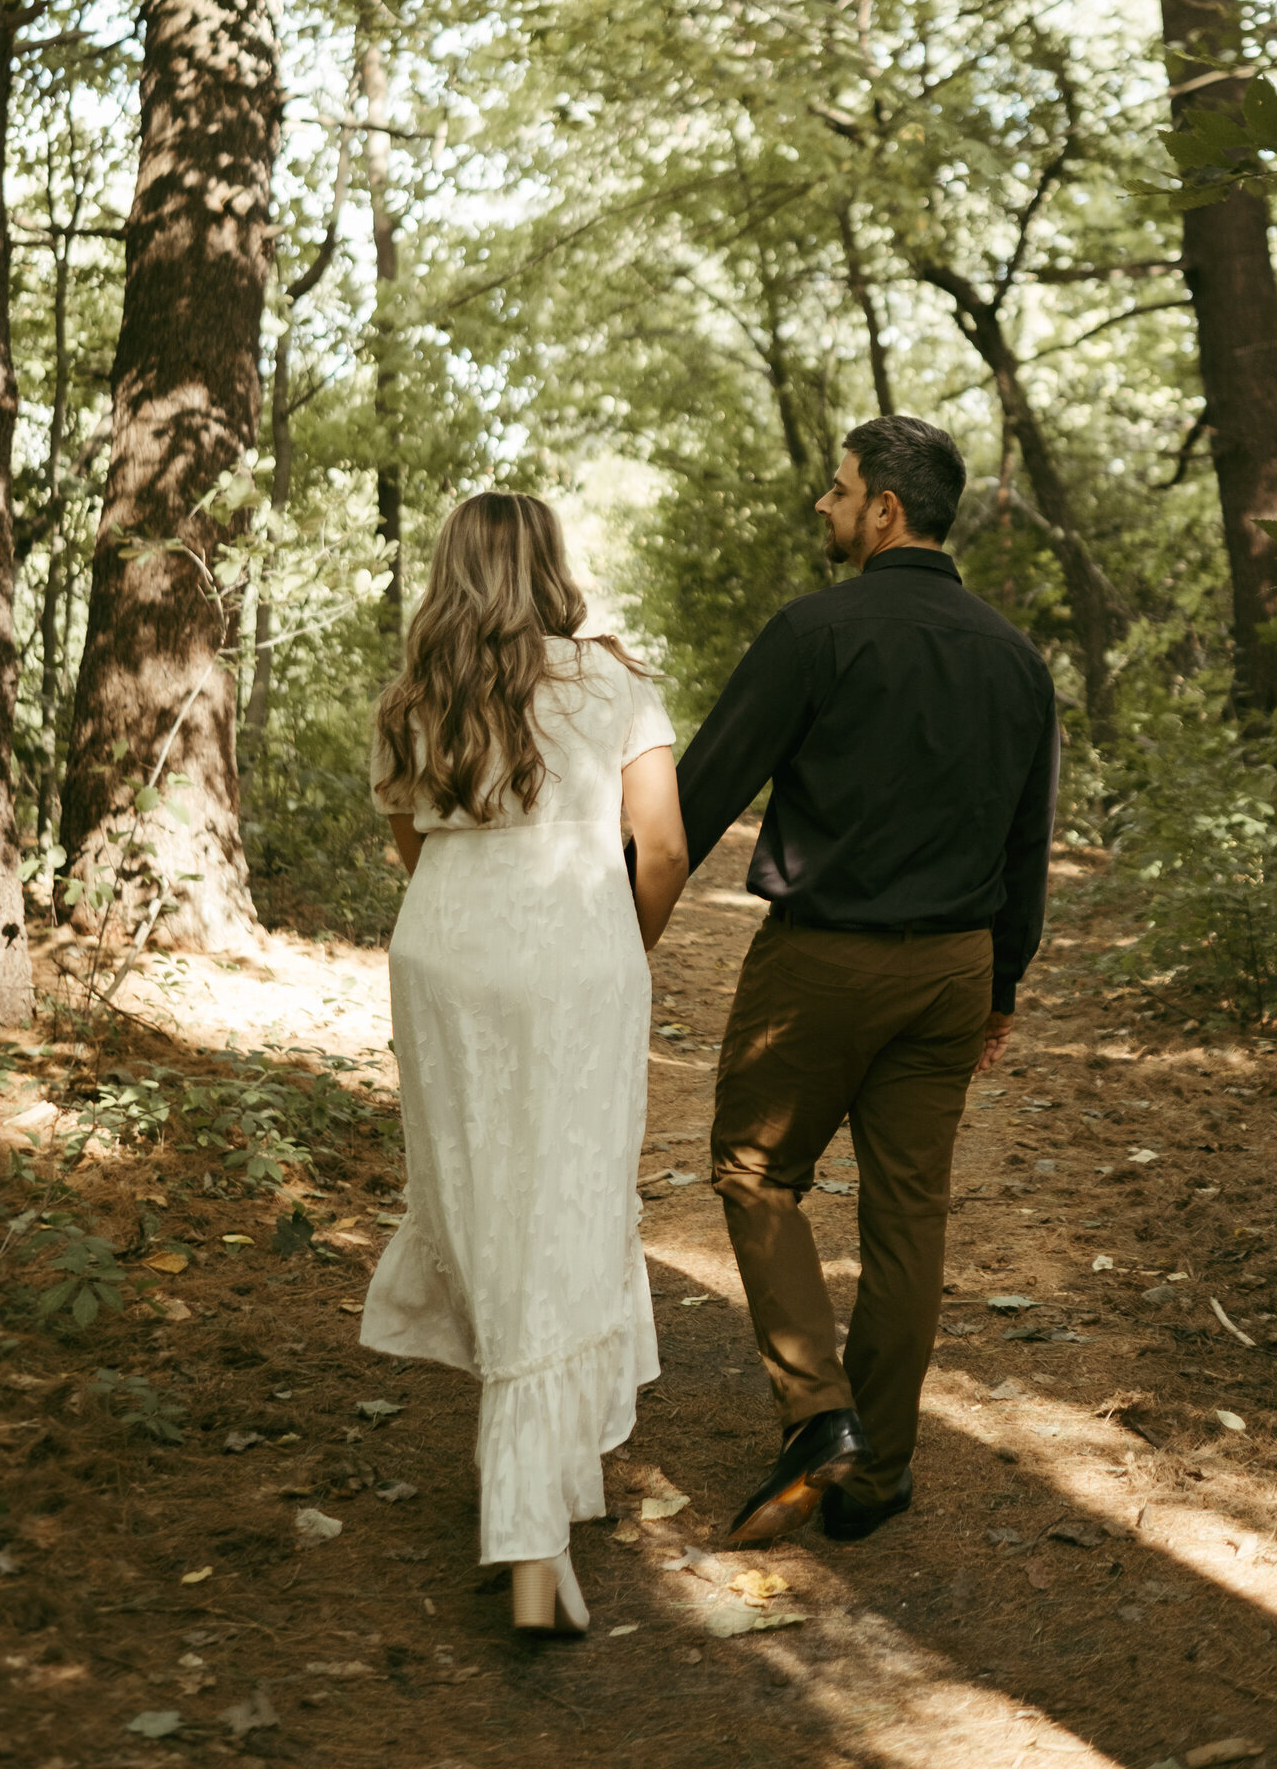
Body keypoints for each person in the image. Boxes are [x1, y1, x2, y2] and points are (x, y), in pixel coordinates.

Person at [676, 414, 1059, 1546]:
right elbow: (1025, 846)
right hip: (953, 971)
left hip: (822, 964)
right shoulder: (1016, 659)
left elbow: (697, 800)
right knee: (908, 1216)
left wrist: (609, 921)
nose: (823, 506)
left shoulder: (814, 632)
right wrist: (1001, 985)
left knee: (754, 1171)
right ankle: (878, 1473)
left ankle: (817, 1413)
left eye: (837, 489)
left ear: (885, 509)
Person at [362, 492, 687, 1637]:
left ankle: (553, 1484)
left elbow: (410, 843)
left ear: (450, 570)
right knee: (570, 1199)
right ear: (549, 565)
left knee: (488, 1204)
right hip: (574, 958)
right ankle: (533, 1548)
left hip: (446, 954)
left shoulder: (416, 694)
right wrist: (619, 946)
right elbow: (667, 845)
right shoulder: (610, 683)